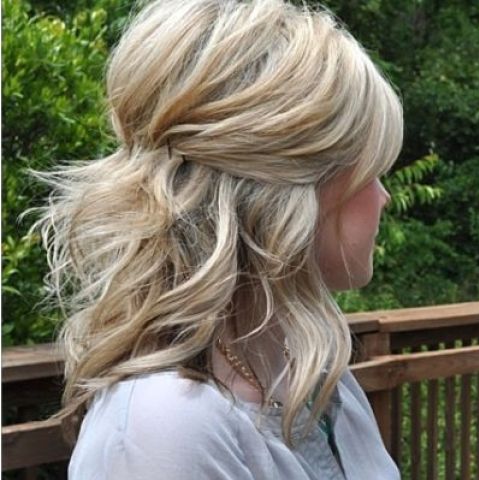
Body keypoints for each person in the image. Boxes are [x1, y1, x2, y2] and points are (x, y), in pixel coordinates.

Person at [29, 0, 403, 478]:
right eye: (370, 171)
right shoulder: (164, 430)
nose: (384, 197)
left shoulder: (307, 369)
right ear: (291, 190)